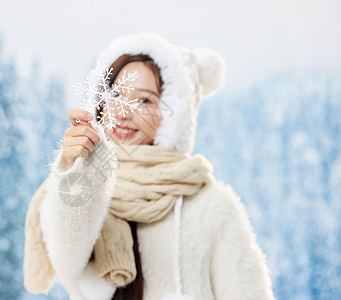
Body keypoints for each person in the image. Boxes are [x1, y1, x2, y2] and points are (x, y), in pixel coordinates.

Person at [23, 32, 275, 300]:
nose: (123, 111)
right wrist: (76, 169)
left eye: (144, 100)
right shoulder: (78, 184)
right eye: (115, 94)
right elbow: (67, 258)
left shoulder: (213, 208)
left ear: (172, 116)